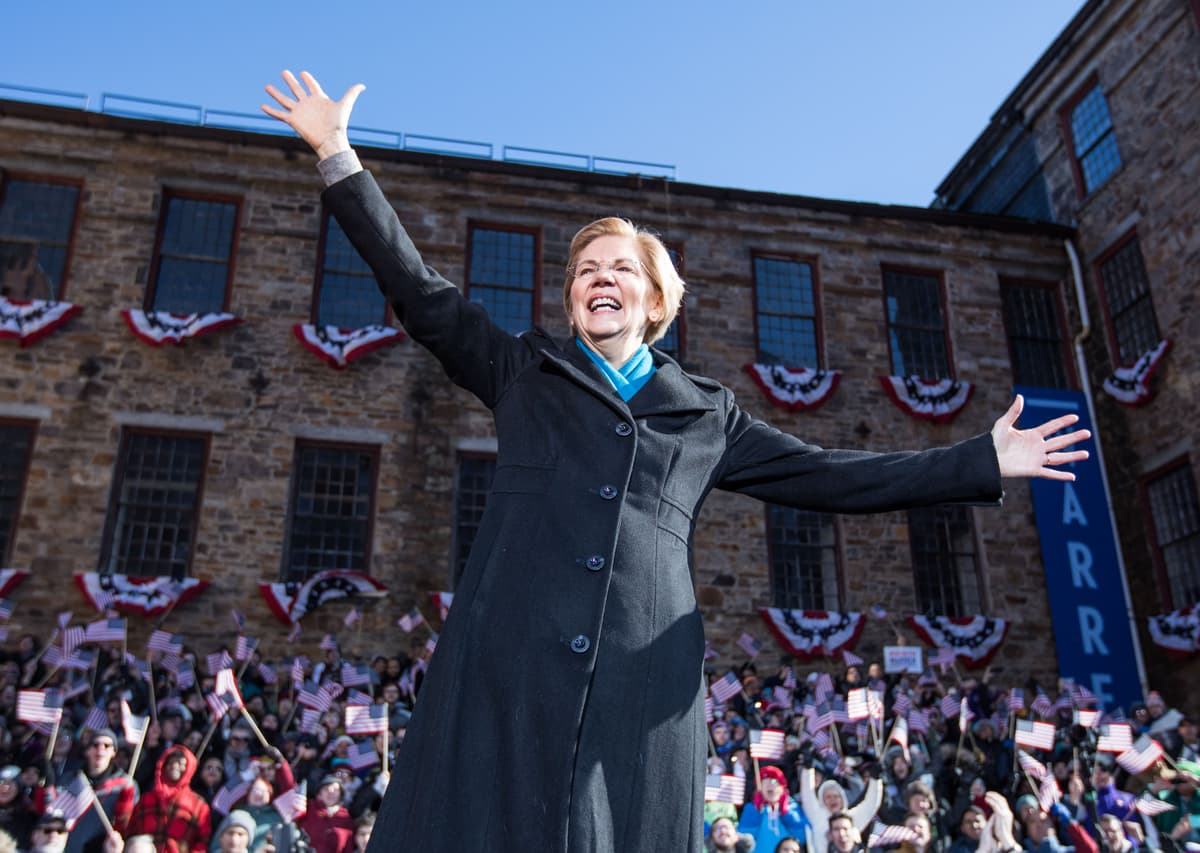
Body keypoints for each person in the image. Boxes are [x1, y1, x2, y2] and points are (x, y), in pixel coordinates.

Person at [261, 69, 1090, 853]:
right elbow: (422, 291)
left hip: (640, 680)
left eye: (621, 268)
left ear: (654, 301)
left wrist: (980, 457)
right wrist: (339, 156)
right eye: (586, 271)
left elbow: (836, 475)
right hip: (510, 664)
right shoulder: (523, 373)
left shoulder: (707, 416)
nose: (600, 279)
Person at [58, 731, 137, 853]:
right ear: (88, 751)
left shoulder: (125, 784)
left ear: (113, 752)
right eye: (95, 745)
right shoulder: (70, 779)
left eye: (107, 746)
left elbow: (126, 822)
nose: (101, 749)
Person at [125, 745, 212, 853]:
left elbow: (203, 841)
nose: (175, 766)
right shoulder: (146, 799)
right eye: (170, 762)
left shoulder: (199, 805)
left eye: (181, 764)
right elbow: (130, 831)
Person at [738, 767, 810, 853]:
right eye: (765, 782)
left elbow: (802, 837)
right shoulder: (751, 808)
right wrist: (755, 813)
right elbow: (744, 839)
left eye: (774, 782)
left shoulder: (792, 807)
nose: (770, 785)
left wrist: (787, 814)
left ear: (782, 788)